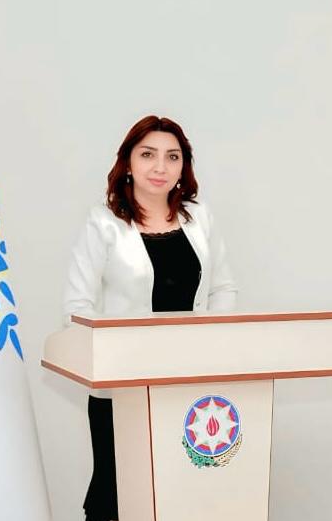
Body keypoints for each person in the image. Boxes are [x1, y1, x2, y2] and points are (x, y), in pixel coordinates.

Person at [63, 115, 238, 521]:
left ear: (183, 166)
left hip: (187, 383)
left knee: (180, 491)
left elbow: (223, 288)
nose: (160, 167)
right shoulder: (104, 221)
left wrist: (210, 349)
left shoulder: (199, 217)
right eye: (148, 155)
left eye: (172, 157)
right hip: (122, 385)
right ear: (127, 162)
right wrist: (112, 357)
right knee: (118, 491)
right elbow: (77, 304)